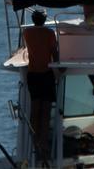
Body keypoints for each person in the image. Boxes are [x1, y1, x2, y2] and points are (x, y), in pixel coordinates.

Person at [23, 10, 58, 163]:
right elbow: (54, 53)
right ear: (45, 19)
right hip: (46, 74)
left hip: (32, 74)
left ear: (33, 19)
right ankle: (43, 144)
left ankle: (35, 143)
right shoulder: (50, 33)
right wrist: (60, 66)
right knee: (45, 112)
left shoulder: (27, 33)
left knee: (35, 110)